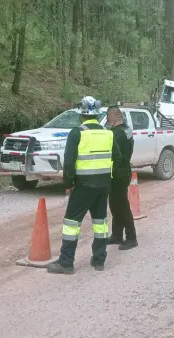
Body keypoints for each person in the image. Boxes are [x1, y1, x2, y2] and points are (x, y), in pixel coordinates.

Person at [47, 96, 113, 274]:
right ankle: (99, 260)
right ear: (98, 115)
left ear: (81, 115)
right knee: (100, 223)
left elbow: (69, 163)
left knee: (71, 223)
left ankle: (66, 262)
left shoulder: (77, 133)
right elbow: (115, 158)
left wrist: (68, 184)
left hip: (83, 186)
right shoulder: (108, 133)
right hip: (103, 185)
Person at [106, 105, 138, 250]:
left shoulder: (115, 134)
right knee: (114, 204)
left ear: (111, 118)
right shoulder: (127, 129)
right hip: (124, 170)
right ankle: (117, 235)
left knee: (122, 205)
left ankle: (131, 237)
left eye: (108, 119)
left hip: (118, 173)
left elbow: (113, 155)